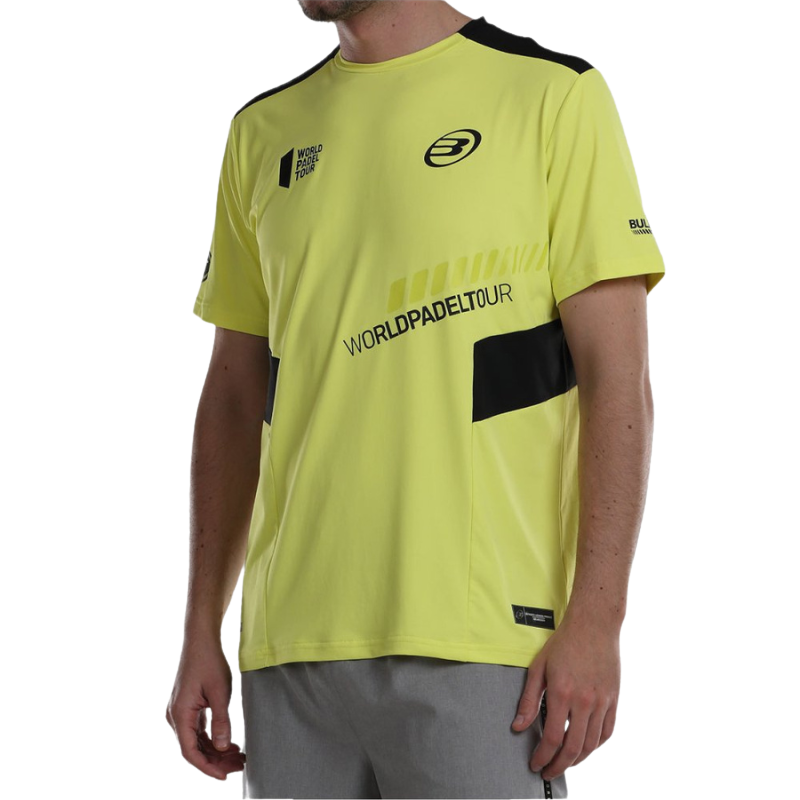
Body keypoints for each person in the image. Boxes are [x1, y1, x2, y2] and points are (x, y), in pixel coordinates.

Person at [165, 1, 666, 797]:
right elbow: (231, 396)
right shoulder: (261, 132)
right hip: (291, 653)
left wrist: (598, 621)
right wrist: (201, 627)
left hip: (481, 644)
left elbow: (618, 378)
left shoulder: (552, 97)